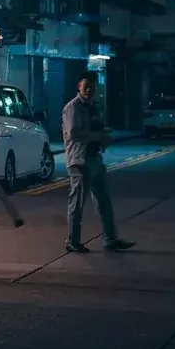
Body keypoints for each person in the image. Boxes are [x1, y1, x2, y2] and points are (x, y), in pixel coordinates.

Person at [62, 74, 135, 253]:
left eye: (92, 86)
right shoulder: (73, 107)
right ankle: (72, 241)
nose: (89, 89)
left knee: (104, 202)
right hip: (80, 160)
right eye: (86, 85)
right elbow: (73, 133)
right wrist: (98, 136)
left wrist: (104, 138)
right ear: (78, 86)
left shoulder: (92, 107)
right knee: (77, 203)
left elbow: (96, 128)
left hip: (95, 159)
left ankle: (111, 239)